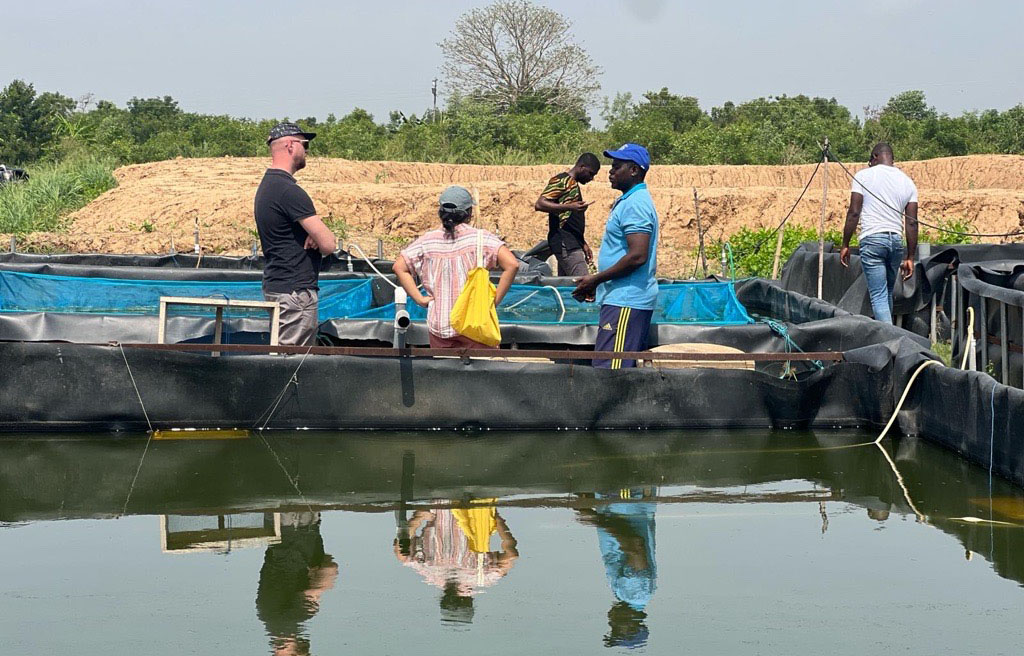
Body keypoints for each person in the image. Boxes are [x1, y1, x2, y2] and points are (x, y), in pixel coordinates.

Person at [393, 185, 519, 349]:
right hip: (474, 322)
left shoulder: (427, 241)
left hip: (440, 325)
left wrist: (419, 299)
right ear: (469, 213)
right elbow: (512, 264)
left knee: (445, 373)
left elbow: (399, 267)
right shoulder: (480, 239)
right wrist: (494, 301)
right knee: (483, 372)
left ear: (441, 212)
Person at [573, 144, 659, 369]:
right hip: (619, 298)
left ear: (634, 170)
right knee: (613, 370)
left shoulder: (636, 204)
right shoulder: (628, 201)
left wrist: (596, 279)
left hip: (626, 301)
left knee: (611, 373)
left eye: (617, 166)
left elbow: (637, 256)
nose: (610, 171)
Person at [254, 122, 337, 346]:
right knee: (291, 365)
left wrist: (312, 233)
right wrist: (319, 237)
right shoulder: (289, 191)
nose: (307, 151)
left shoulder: (270, 186)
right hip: (294, 293)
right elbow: (329, 244)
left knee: (285, 358)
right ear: (291, 146)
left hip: (279, 286)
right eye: (305, 144)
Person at [393, 500, 519, 625]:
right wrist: (418, 517)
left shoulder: (482, 577)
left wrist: (495, 519)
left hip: (462, 504)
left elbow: (511, 555)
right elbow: (402, 554)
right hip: (446, 502)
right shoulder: (479, 577)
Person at [839, 142, 919, 324]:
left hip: (873, 240)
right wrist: (910, 257)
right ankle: (890, 337)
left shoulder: (863, 176)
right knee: (886, 293)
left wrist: (845, 244)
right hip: (895, 241)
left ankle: (890, 340)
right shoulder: (907, 181)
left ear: (875, 156)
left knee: (878, 296)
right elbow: (912, 222)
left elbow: (854, 212)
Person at [534, 153, 601, 276]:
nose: (591, 178)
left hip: (571, 242)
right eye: (591, 173)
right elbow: (540, 204)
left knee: (566, 288)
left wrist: (583, 243)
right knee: (584, 285)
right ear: (582, 167)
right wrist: (570, 207)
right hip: (565, 244)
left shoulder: (573, 184)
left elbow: (569, 222)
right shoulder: (562, 180)